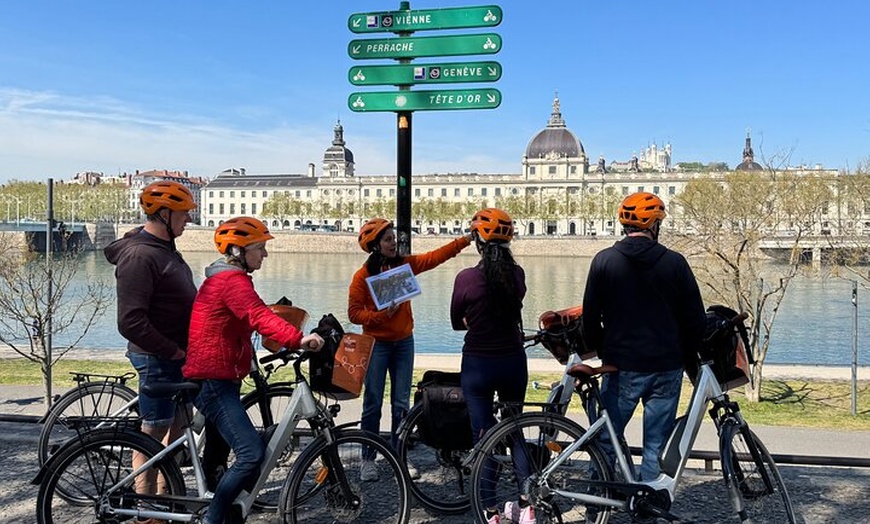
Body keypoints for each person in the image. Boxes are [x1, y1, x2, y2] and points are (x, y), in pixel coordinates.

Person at [183, 216, 324, 524]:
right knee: (250, 454)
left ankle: (230, 510)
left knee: (222, 460)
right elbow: (256, 314)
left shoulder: (226, 279)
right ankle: (213, 518)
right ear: (239, 250)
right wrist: (299, 338)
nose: (265, 254)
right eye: (260, 248)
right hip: (213, 381)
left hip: (219, 377)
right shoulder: (231, 281)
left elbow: (250, 316)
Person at [581, 192, 706, 482]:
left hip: (621, 365)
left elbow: (589, 320)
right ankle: (648, 506)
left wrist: (605, 351)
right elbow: (695, 320)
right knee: (655, 448)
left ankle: (596, 504)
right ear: (655, 226)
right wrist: (684, 355)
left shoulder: (604, 261)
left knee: (606, 441)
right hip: (666, 366)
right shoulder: (675, 263)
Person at [348, 218, 471, 481]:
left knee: (401, 403)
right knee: (372, 403)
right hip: (377, 344)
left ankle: (399, 455)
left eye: (394, 238)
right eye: (388, 240)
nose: (394, 243)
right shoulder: (362, 277)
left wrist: (465, 240)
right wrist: (381, 315)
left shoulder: (404, 265)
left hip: (404, 342)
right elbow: (354, 314)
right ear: (376, 246)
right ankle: (367, 459)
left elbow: (434, 258)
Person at [104, 180, 198, 522]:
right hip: (157, 356)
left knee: (176, 432)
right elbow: (130, 321)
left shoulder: (165, 248)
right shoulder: (140, 255)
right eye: (184, 214)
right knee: (152, 434)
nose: (189, 219)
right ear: (164, 214)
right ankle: (144, 510)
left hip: (176, 356)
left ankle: (165, 499)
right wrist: (172, 351)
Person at [450, 208, 532, 524]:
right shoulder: (519, 275)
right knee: (516, 431)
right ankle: (527, 508)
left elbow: (457, 321)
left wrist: (474, 318)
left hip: (478, 365)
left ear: (478, 242)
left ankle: (491, 511)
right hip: (513, 360)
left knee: (484, 437)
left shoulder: (466, 278)